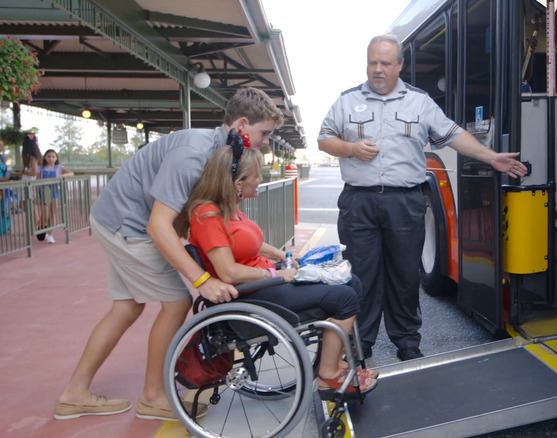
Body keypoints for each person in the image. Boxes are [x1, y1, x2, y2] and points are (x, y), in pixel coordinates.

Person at [54, 87, 284, 421]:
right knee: (177, 303)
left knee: (126, 309)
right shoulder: (193, 153)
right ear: (242, 124)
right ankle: (153, 397)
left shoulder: (218, 149)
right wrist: (201, 279)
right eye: (264, 133)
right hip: (127, 223)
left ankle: (74, 394)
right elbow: (158, 226)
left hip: (117, 217)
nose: (265, 141)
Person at [318, 34, 528, 361]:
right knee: (362, 276)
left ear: (400, 65)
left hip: (405, 202)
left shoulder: (420, 102)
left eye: (385, 63)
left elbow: (453, 134)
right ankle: (361, 344)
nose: (377, 70)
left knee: (404, 275)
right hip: (358, 203)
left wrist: (490, 157)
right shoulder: (346, 101)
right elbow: (324, 139)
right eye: (372, 62)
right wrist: (350, 148)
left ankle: (407, 342)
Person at [177, 145, 377, 399]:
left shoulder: (228, 209)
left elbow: (250, 243)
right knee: (344, 298)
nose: (261, 180)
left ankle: (337, 362)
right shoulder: (207, 214)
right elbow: (228, 272)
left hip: (265, 284)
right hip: (251, 295)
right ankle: (328, 374)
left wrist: (283, 257)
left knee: (352, 282)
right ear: (238, 182)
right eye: (257, 176)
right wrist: (275, 276)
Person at [37, 149, 74, 243]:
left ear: (56, 158)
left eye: (53, 156)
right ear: (45, 157)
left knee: (53, 213)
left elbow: (71, 173)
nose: (51, 158)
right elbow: (36, 182)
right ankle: (41, 227)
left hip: (54, 191)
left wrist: (62, 176)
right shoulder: (41, 168)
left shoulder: (59, 167)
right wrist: (36, 194)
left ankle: (50, 234)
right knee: (45, 214)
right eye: (48, 156)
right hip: (44, 191)